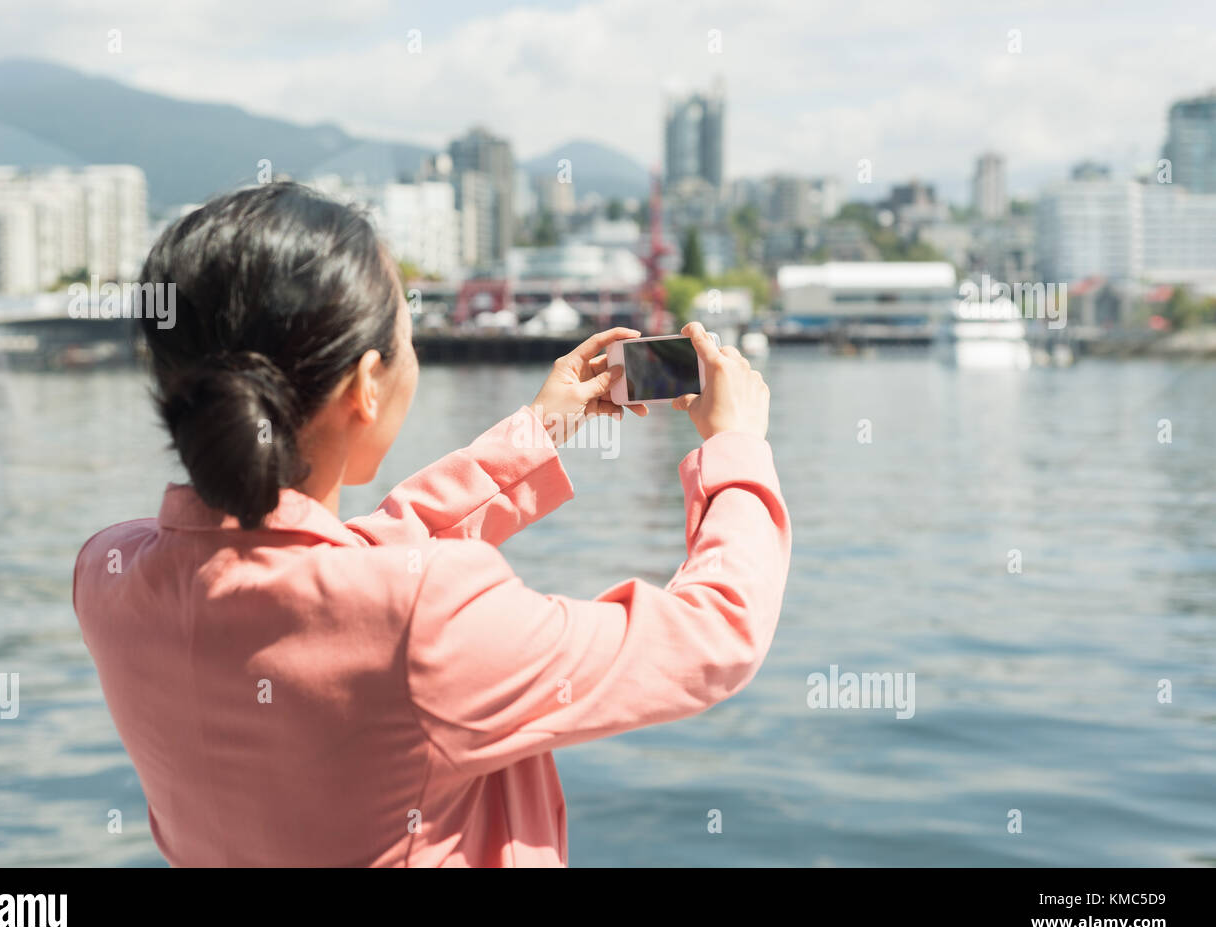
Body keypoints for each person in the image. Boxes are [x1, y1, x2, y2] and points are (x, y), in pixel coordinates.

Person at [73, 182, 790, 867]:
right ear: (364, 386)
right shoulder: (427, 618)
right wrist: (736, 448)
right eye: (409, 338)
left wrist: (539, 432)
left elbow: (346, 565)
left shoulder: (108, 576)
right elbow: (714, 633)